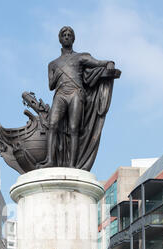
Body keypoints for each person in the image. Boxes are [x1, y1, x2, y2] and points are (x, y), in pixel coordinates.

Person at [40, 26, 115, 168]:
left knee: (74, 128)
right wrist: (58, 72)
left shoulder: (81, 56)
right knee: (52, 124)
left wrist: (110, 63)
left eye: (69, 35)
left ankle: (73, 164)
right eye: (64, 35)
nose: (67, 36)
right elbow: (51, 85)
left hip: (76, 93)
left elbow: (99, 63)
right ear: (60, 39)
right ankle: (50, 160)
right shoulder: (52, 64)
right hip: (60, 94)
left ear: (73, 39)